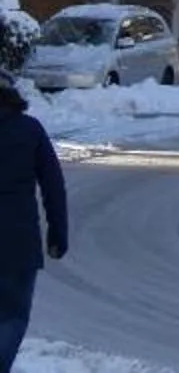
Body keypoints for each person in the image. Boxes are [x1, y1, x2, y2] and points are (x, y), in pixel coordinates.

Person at [0, 77, 66, 371]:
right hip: (19, 244)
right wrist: (57, 233)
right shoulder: (31, 130)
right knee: (13, 316)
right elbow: (53, 185)